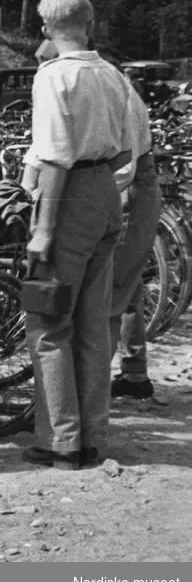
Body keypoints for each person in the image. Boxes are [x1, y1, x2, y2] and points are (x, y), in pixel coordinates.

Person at [20, 0, 134, 471]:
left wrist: (43, 228)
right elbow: (127, 151)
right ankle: (93, 436)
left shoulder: (53, 78)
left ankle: (60, 439)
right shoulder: (112, 75)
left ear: (46, 29)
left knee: (48, 323)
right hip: (106, 192)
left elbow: (53, 157)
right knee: (93, 323)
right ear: (90, 25)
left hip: (66, 198)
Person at [108, 62, 161, 400]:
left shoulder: (122, 101)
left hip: (131, 189)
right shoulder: (124, 94)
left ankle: (91, 385)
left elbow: (124, 168)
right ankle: (135, 373)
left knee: (113, 287)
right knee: (129, 287)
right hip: (138, 186)